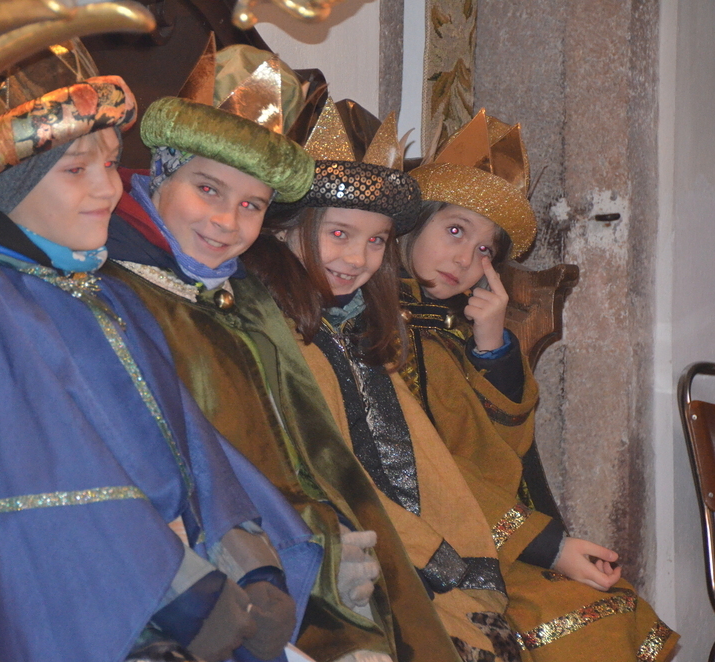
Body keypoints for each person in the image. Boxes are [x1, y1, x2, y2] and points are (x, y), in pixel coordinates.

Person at [0, 73, 319, 662]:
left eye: (111, 164)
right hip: (106, 611)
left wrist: (253, 564)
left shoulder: (107, 295)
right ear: (8, 188)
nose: (109, 188)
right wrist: (186, 597)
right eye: (76, 170)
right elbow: (45, 486)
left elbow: (198, 448)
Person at [105, 44, 462, 662]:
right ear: (163, 173)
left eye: (252, 205)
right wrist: (312, 558)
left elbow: (309, 455)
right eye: (208, 189)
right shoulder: (111, 290)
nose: (227, 222)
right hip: (192, 575)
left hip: (303, 559)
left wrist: (335, 547)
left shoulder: (243, 296)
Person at [395, 109, 678, 661]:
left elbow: (502, 453)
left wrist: (492, 347)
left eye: (485, 250)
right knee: (586, 625)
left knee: (615, 608)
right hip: (433, 538)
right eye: (455, 230)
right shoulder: (383, 329)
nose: (466, 259)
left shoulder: (448, 333)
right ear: (412, 224)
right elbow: (423, 468)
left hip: (487, 529)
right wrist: (548, 547)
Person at [245, 99, 522, 662]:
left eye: (375, 241)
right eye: (340, 233)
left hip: (414, 539)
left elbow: (455, 461)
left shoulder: (361, 325)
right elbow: (321, 467)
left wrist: (493, 350)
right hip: (327, 550)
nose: (358, 258)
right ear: (284, 229)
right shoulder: (280, 327)